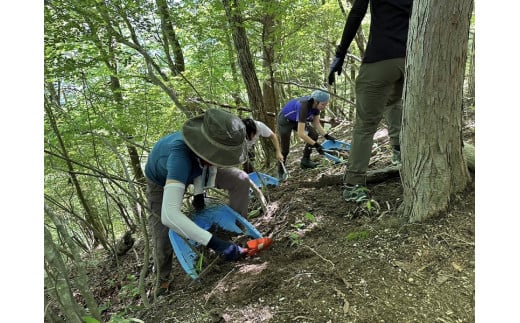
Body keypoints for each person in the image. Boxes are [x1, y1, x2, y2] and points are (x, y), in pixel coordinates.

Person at [144, 108, 251, 297]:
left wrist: (199, 194)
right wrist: (216, 244)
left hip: (198, 168)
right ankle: (163, 279)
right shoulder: (180, 156)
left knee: (240, 178)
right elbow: (170, 215)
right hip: (161, 181)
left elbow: (204, 165)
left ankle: (237, 230)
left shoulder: (213, 145)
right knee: (163, 233)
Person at [328, 0, 412, 202]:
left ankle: (354, 184)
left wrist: (340, 53)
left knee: (365, 125)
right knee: (394, 102)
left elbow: (357, 13)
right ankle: (400, 152)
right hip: (411, 59)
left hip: (380, 59)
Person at [276, 89, 336, 178]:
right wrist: (316, 145)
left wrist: (326, 135)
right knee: (285, 150)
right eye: (323, 104)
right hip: (285, 121)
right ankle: (280, 170)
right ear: (315, 102)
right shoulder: (304, 106)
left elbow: (316, 123)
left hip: (297, 120)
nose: (324, 107)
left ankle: (305, 161)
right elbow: (301, 133)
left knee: (313, 134)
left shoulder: (316, 107)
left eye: (325, 104)